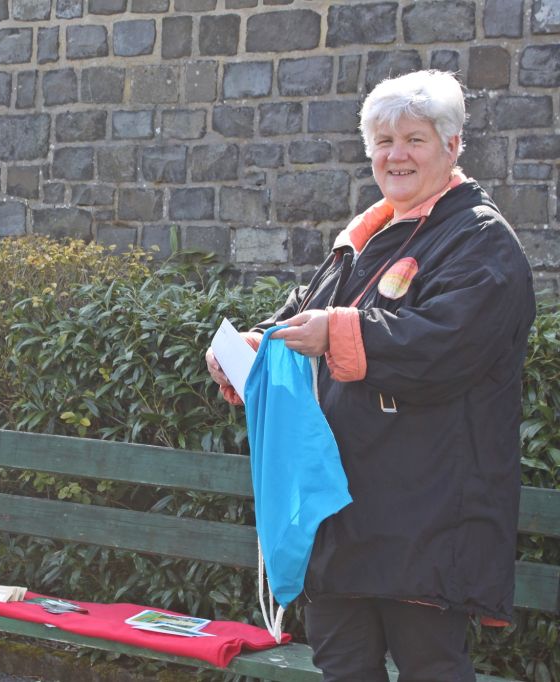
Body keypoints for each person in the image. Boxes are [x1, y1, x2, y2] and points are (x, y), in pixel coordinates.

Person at [206, 70, 535, 680]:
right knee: (341, 661)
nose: (396, 155)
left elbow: (444, 348)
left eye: (414, 138)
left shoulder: (483, 241)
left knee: (430, 666)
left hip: (427, 515)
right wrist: (254, 348)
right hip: (346, 511)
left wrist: (338, 333)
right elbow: (305, 314)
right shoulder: (365, 236)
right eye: (384, 141)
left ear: (452, 144)